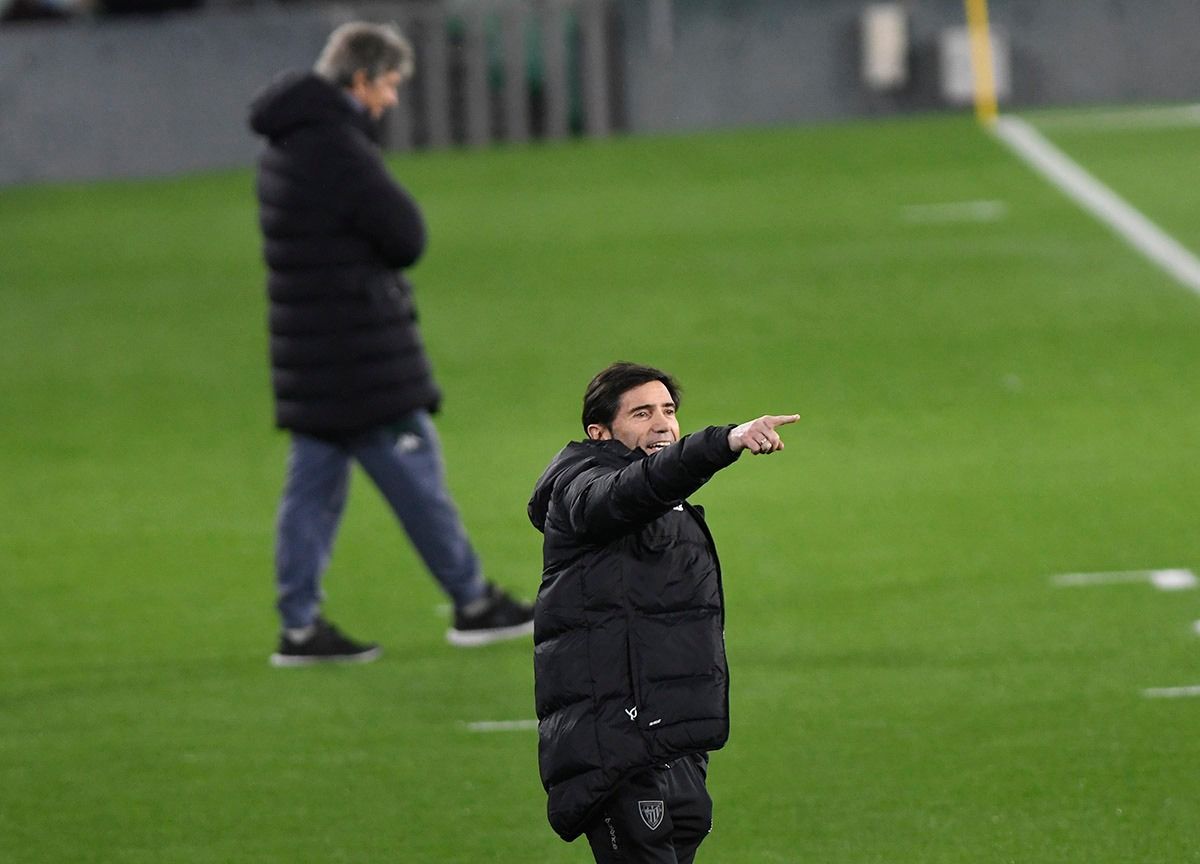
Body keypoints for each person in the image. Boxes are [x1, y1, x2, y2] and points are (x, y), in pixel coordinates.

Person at [248, 21, 532, 667]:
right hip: (358, 354)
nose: (392, 99)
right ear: (361, 79)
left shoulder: (285, 144)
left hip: (312, 352)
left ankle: (299, 628)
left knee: (311, 492)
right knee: (416, 476)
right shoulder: (336, 146)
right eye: (390, 85)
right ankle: (473, 603)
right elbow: (406, 235)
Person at [528, 361, 799, 862]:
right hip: (616, 737)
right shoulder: (580, 487)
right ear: (599, 432)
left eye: (669, 411)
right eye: (642, 413)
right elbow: (630, 491)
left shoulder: (669, 505)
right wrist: (724, 442)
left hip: (670, 737)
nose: (662, 425)